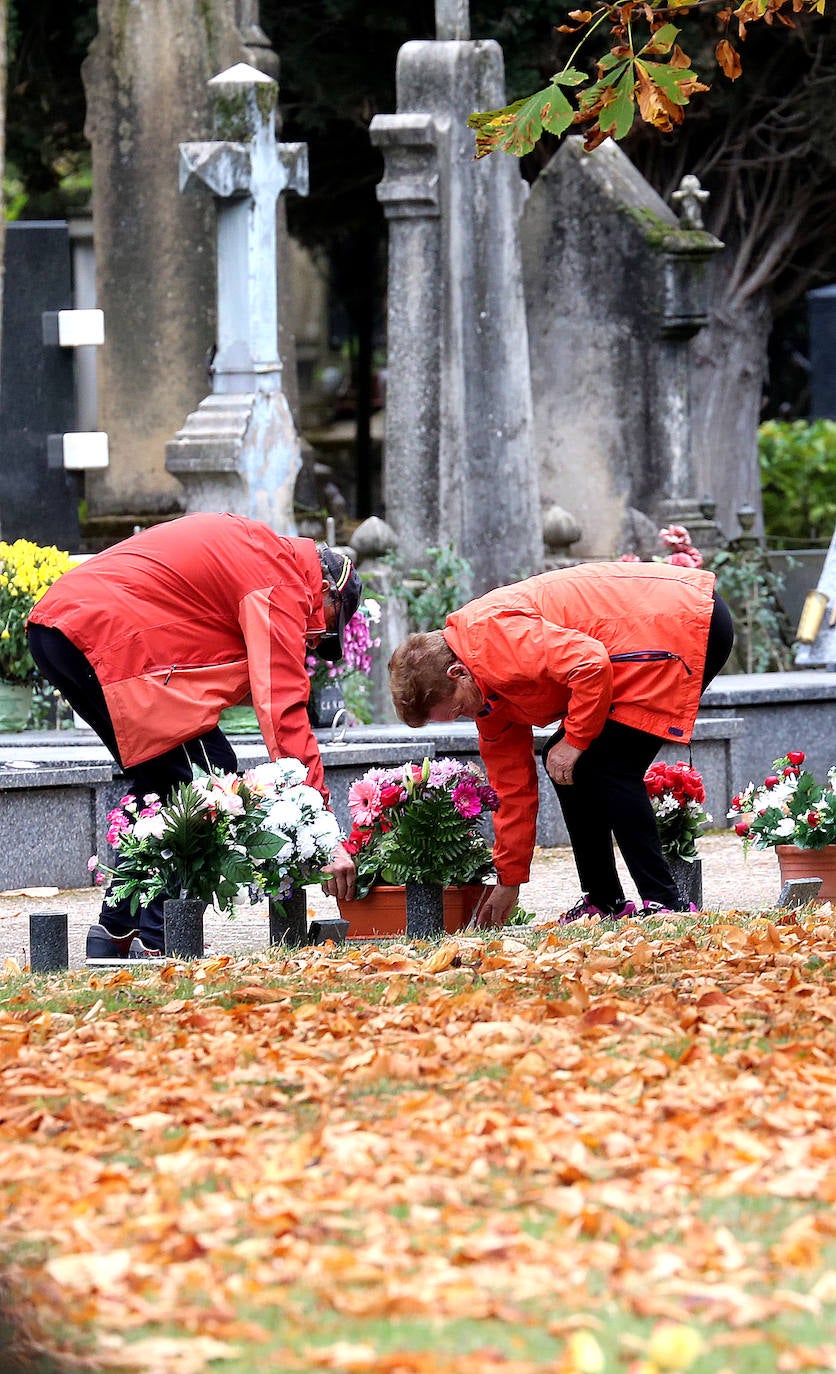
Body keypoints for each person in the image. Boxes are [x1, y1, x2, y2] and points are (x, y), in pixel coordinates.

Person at [26, 512, 361, 957]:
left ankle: (115, 932)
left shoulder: (261, 555)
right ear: (325, 590)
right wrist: (324, 828)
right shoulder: (282, 580)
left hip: (64, 629)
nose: (314, 642)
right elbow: (281, 706)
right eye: (322, 629)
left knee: (164, 782)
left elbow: (218, 660)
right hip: (102, 635)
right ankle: (160, 937)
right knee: (211, 781)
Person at [388, 561, 734, 928]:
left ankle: (666, 904)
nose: (466, 717)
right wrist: (510, 878)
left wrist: (577, 738)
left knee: (606, 764)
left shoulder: (492, 641)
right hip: (661, 629)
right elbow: (512, 787)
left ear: (456, 673)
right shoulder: (483, 690)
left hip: (684, 620)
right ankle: (604, 901)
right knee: (566, 761)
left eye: (458, 709)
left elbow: (589, 664)